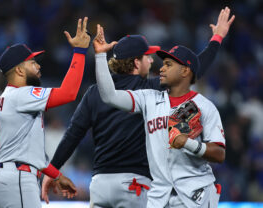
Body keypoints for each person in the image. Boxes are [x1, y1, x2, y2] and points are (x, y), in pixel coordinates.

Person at [41, 7, 234, 208]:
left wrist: (52, 171)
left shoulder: (94, 92)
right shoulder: (149, 90)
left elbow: (73, 135)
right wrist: (217, 38)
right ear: (135, 62)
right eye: (147, 57)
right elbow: (193, 69)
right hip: (134, 184)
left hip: (99, 184)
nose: (152, 61)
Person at [94, 17, 230, 208]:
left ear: (184, 71)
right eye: (163, 63)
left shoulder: (204, 106)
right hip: (159, 197)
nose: (162, 68)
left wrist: (189, 144)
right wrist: (100, 56)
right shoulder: (148, 98)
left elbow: (219, 154)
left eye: (168, 64)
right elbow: (109, 96)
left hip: (195, 196)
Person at [0, 17, 91, 208]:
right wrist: (80, 52)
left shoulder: (8, 97)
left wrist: (57, 176)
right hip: (17, 179)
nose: (38, 66)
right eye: (32, 62)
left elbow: (32, 154)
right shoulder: (21, 95)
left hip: (8, 177)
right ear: (19, 70)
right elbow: (69, 93)